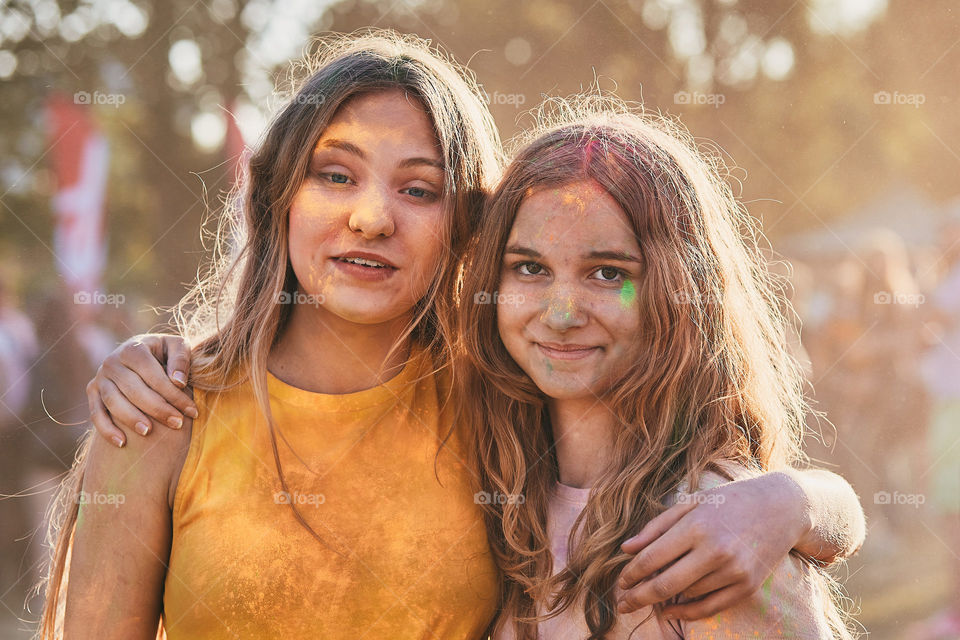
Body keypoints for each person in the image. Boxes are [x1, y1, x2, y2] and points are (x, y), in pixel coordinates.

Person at [55, 32, 864, 639]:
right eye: (335, 175)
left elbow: (677, 465)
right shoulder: (159, 416)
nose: (370, 215)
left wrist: (792, 502)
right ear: (277, 195)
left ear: (467, 226)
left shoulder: (496, 407)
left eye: (419, 187)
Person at [455, 100, 858, 638]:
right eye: (530, 268)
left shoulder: (713, 532)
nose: (561, 314)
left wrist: (794, 502)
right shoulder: (494, 494)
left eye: (606, 272)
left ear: (676, 293)